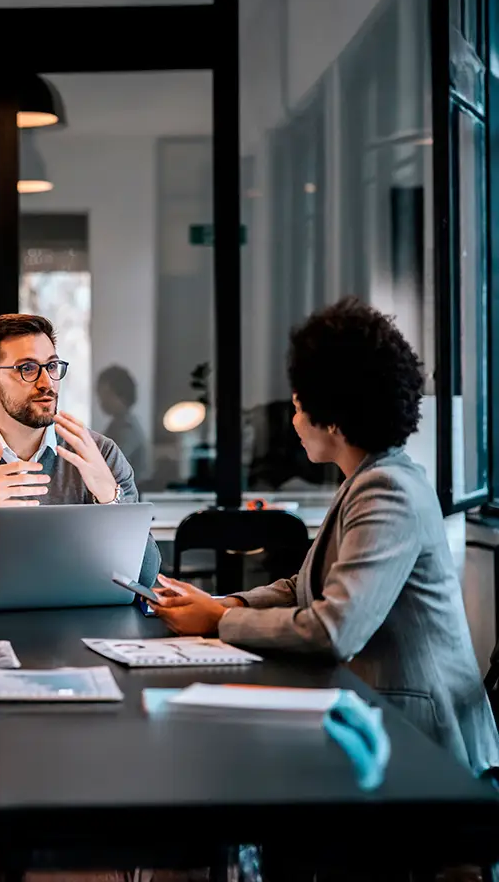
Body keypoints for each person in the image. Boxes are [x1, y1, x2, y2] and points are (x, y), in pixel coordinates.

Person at [151, 298, 499, 776]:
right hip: (386, 719)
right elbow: (303, 586)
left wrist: (219, 621)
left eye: (298, 407)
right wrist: (220, 603)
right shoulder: (367, 478)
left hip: (428, 745)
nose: (294, 422)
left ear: (332, 416)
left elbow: (336, 630)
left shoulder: (387, 490)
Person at [0, 314, 161, 592]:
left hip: (80, 616)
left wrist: (110, 498)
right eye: (27, 368)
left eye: (52, 366)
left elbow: (145, 578)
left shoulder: (100, 454)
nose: (46, 382)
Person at [96, 365, 150, 484]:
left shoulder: (127, 428)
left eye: (106, 394)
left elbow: (109, 463)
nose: (101, 400)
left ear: (121, 396)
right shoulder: (117, 424)